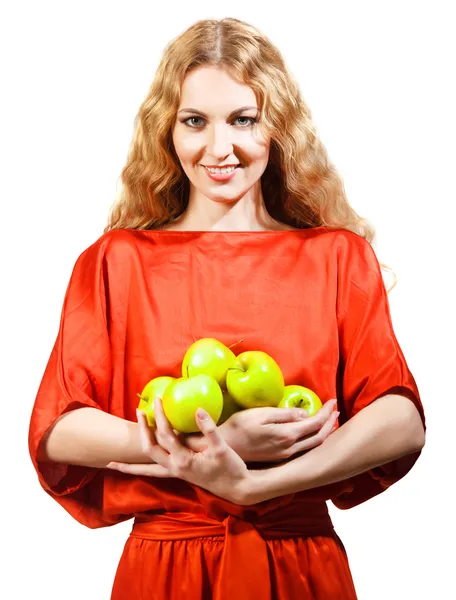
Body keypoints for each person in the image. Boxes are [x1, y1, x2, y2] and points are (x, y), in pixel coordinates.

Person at [28, 17, 426, 600]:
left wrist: (260, 486)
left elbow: (402, 420)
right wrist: (210, 450)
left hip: (300, 566)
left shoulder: (337, 256)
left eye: (244, 119)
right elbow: (59, 429)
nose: (220, 148)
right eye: (196, 121)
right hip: (165, 569)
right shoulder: (117, 260)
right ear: (168, 131)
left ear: (278, 127)